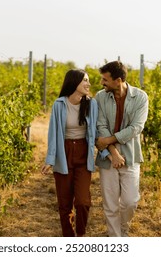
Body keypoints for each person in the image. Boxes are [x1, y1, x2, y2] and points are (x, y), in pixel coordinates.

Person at [41, 69, 98, 237]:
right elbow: (53, 134)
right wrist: (50, 159)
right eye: (85, 80)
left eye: (88, 80)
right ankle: (69, 239)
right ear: (74, 83)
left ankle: (80, 236)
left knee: (82, 202)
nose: (88, 84)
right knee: (65, 204)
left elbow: (95, 131)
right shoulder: (59, 104)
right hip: (63, 153)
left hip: (83, 152)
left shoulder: (91, 104)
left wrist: (104, 153)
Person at [95, 61, 148, 237]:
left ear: (118, 80)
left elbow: (136, 128)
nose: (102, 83)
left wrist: (109, 140)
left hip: (131, 155)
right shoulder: (100, 97)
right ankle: (115, 238)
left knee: (130, 201)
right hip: (108, 157)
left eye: (105, 79)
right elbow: (101, 125)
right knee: (110, 204)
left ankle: (123, 227)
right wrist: (114, 152)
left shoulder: (140, 97)